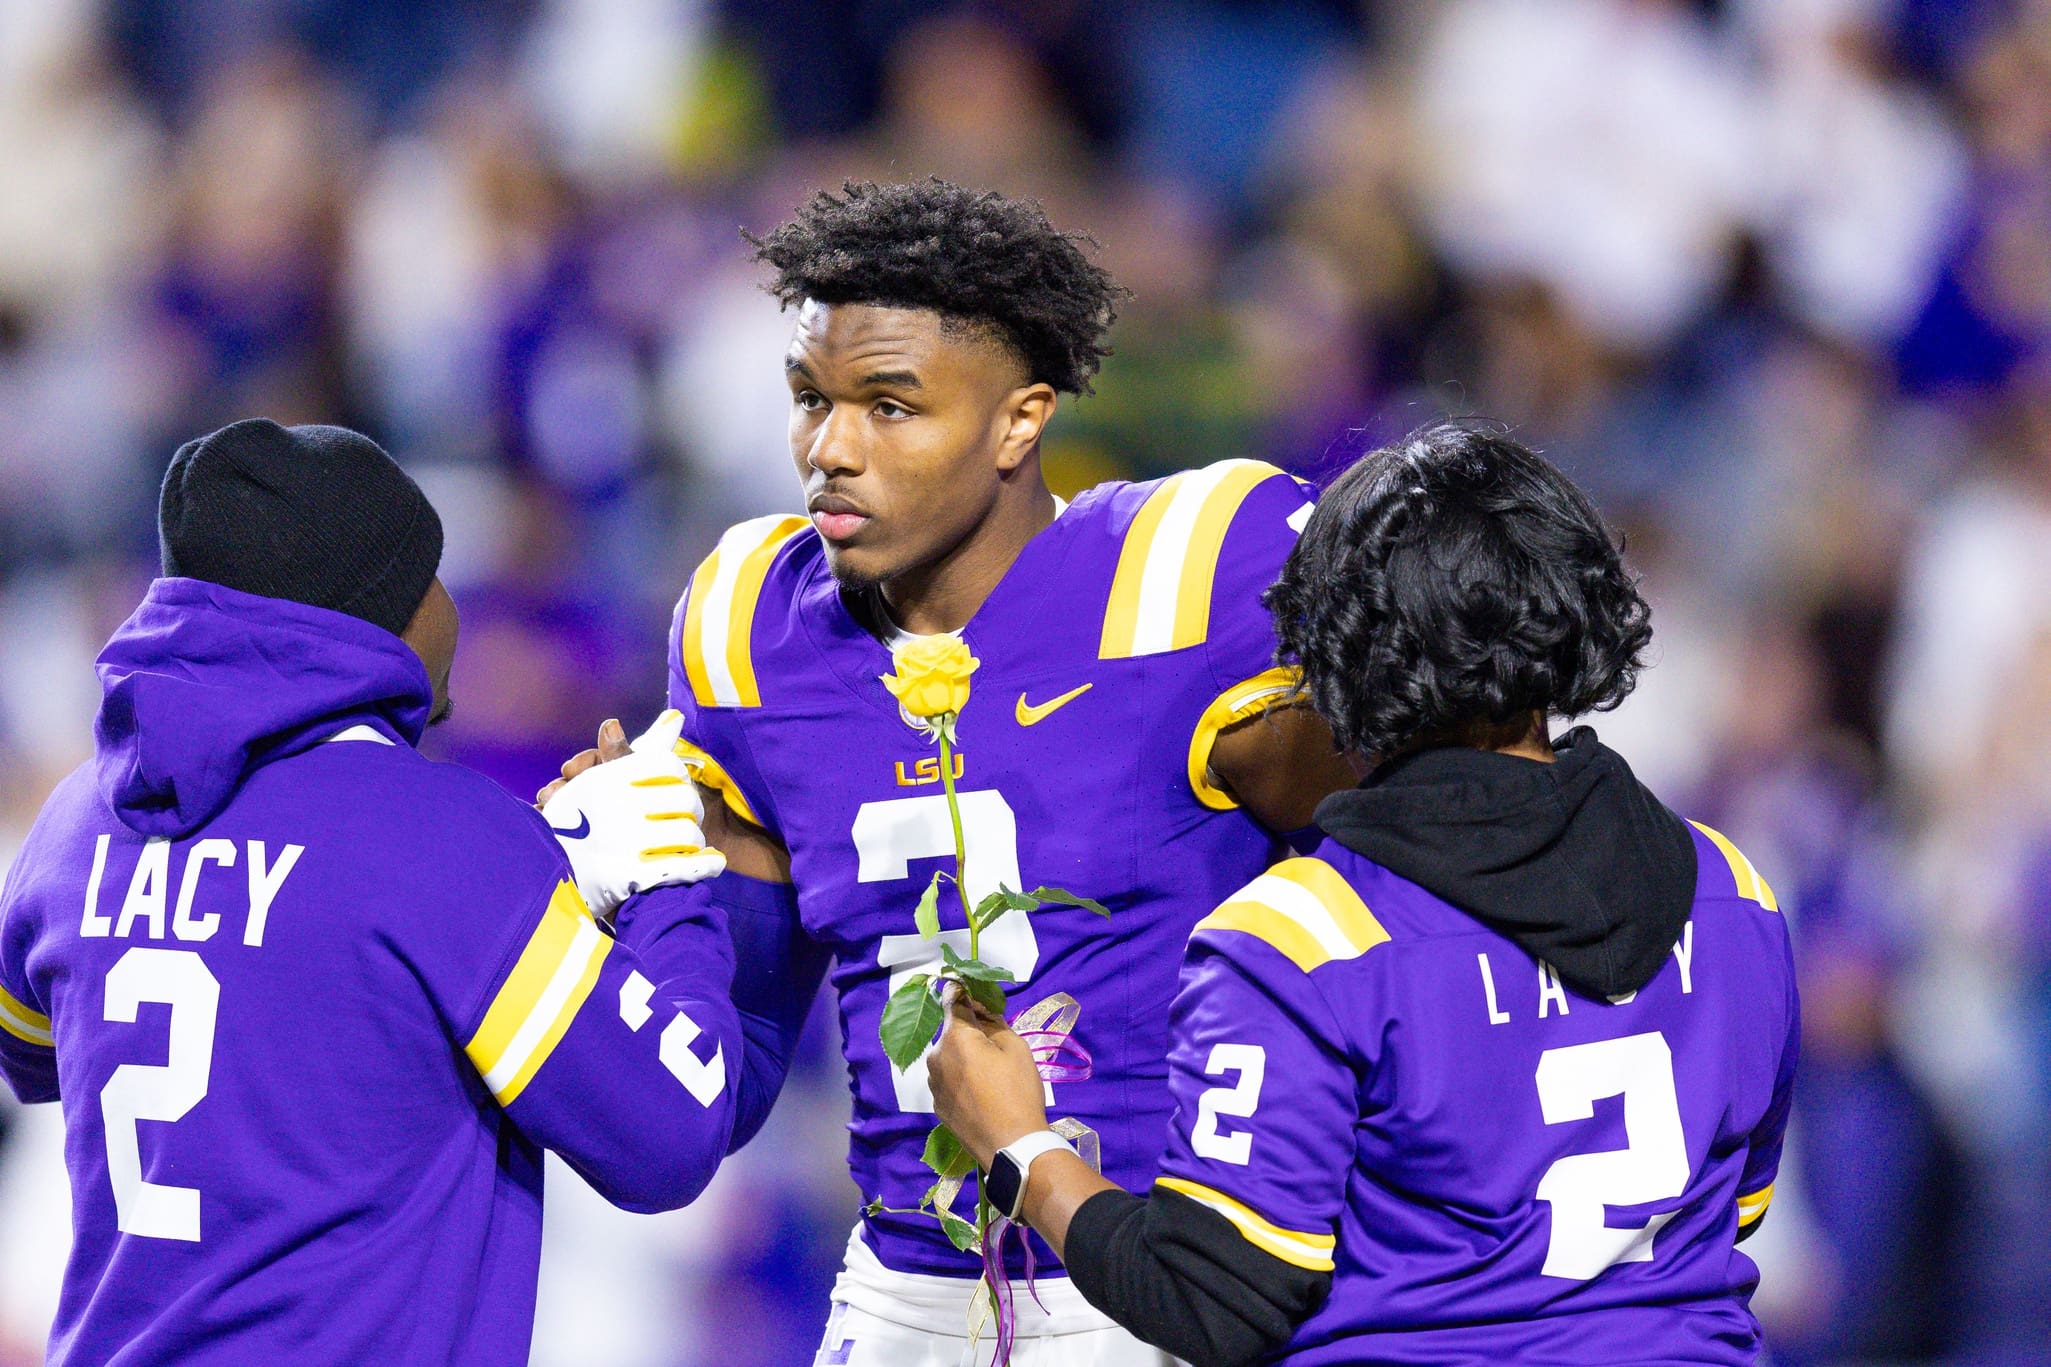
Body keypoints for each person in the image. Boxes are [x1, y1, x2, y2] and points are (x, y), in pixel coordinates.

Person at [547, 179, 1358, 1365]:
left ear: (1019, 422)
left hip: (1157, 1266)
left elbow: (1396, 896)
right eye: (811, 400)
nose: (829, 449)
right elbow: (726, 1081)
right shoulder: (747, 621)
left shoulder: (1188, 577)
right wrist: (653, 887)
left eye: (890, 405)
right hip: (897, 1287)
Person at [929, 424, 1801, 1367]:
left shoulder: (1303, 935)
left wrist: (1019, 1145)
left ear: (1334, 653)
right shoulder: (1731, 887)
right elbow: (1729, 1204)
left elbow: (1213, 1299)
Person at [0, 419, 742, 1365]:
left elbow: (36, 1051)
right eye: (430, 571)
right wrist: (665, 884)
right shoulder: (450, 839)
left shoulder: (72, 824)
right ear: (380, 609)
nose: (450, 604)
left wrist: (538, 888)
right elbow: (672, 1132)